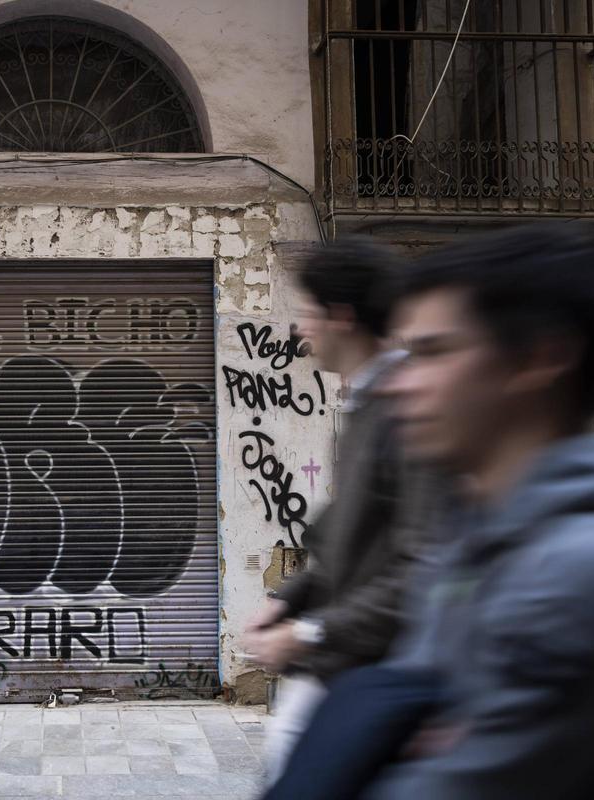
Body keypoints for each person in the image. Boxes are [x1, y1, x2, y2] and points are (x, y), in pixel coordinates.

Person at [276, 222, 594, 800]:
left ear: (539, 357)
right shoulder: (475, 537)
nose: (398, 384)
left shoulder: (582, 578)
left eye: (432, 352)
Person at [244, 238, 439, 788]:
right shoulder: (365, 406)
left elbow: (422, 568)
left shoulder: (408, 413)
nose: (298, 328)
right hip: (343, 668)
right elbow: (346, 547)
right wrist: (286, 599)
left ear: (342, 317)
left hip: (376, 677)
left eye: (306, 312)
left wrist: (309, 634)